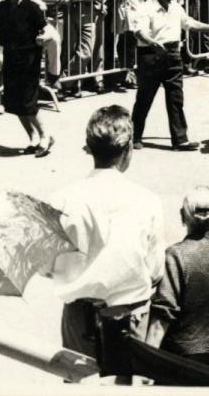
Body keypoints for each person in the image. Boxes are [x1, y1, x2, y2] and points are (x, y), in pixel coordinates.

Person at [50, 105, 165, 369]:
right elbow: (155, 268)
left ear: (89, 148)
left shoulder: (62, 199)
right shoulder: (146, 200)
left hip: (80, 318)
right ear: (128, 151)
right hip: (130, 315)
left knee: (81, 383)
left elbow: (51, 266)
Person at [148, 191, 209, 375]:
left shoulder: (176, 255)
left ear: (183, 216)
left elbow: (163, 314)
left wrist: (145, 362)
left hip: (183, 355)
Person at [129, 0, 209, 151]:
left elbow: (189, 23)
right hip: (150, 55)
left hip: (173, 55)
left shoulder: (176, 6)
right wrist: (153, 42)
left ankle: (180, 140)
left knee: (176, 98)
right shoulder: (145, 8)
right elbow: (138, 31)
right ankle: (134, 136)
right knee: (144, 98)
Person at [0, 0, 54, 157]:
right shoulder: (0, 7)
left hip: (29, 58)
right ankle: (33, 137)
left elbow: (48, 29)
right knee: (15, 102)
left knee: (28, 101)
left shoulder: (32, 8)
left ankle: (45, 137)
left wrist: (44, 37)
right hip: (11, 57)